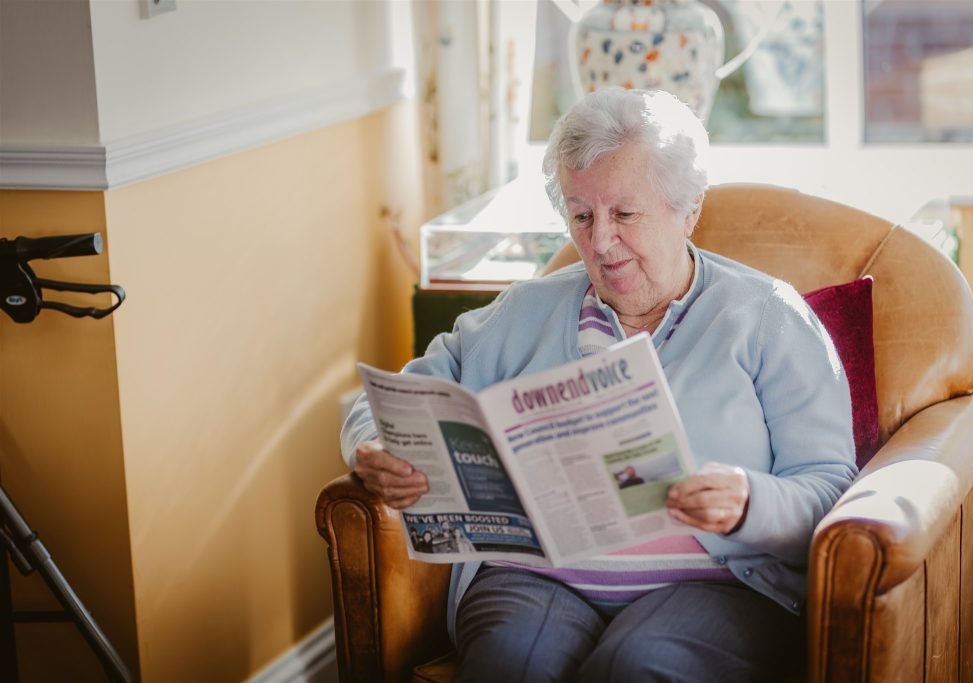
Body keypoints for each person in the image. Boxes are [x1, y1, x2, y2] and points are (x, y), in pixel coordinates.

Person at [342, 87, 857, 682]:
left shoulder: (766, 316)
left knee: (639, 667)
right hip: (535, 574)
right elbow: (393, 400)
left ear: (688, 208)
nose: (599, 241)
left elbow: (829, 481)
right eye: (581, 215)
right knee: (510, 665)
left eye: (625, 214)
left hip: (716, 583)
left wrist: (747, 501)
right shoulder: (522, 312)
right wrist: (373, 447)